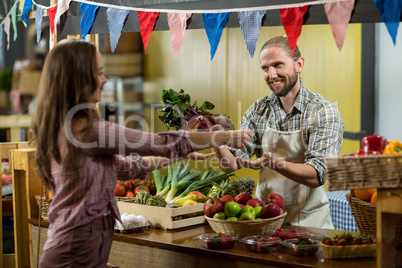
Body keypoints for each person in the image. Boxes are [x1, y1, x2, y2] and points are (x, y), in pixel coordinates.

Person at [31, 39, 251, 268]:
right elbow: (161, 142)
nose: (104, 80)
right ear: (78, 79)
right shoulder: (87, 131)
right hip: (72, 255)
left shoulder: (68, 128)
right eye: (99, 73)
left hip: (77, 251)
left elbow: (128, 168)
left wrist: (180, 154)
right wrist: (224, 137)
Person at [212, 36, 344, 229]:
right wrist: (215, 139)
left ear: (299, 64)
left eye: (278, 65)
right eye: (265, 68)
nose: (271, 74)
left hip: (311, 224)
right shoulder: (258, 110)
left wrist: (276, 164)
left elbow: (318, 175)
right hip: (263, 220)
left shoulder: (323, 111)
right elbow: (230, 164)